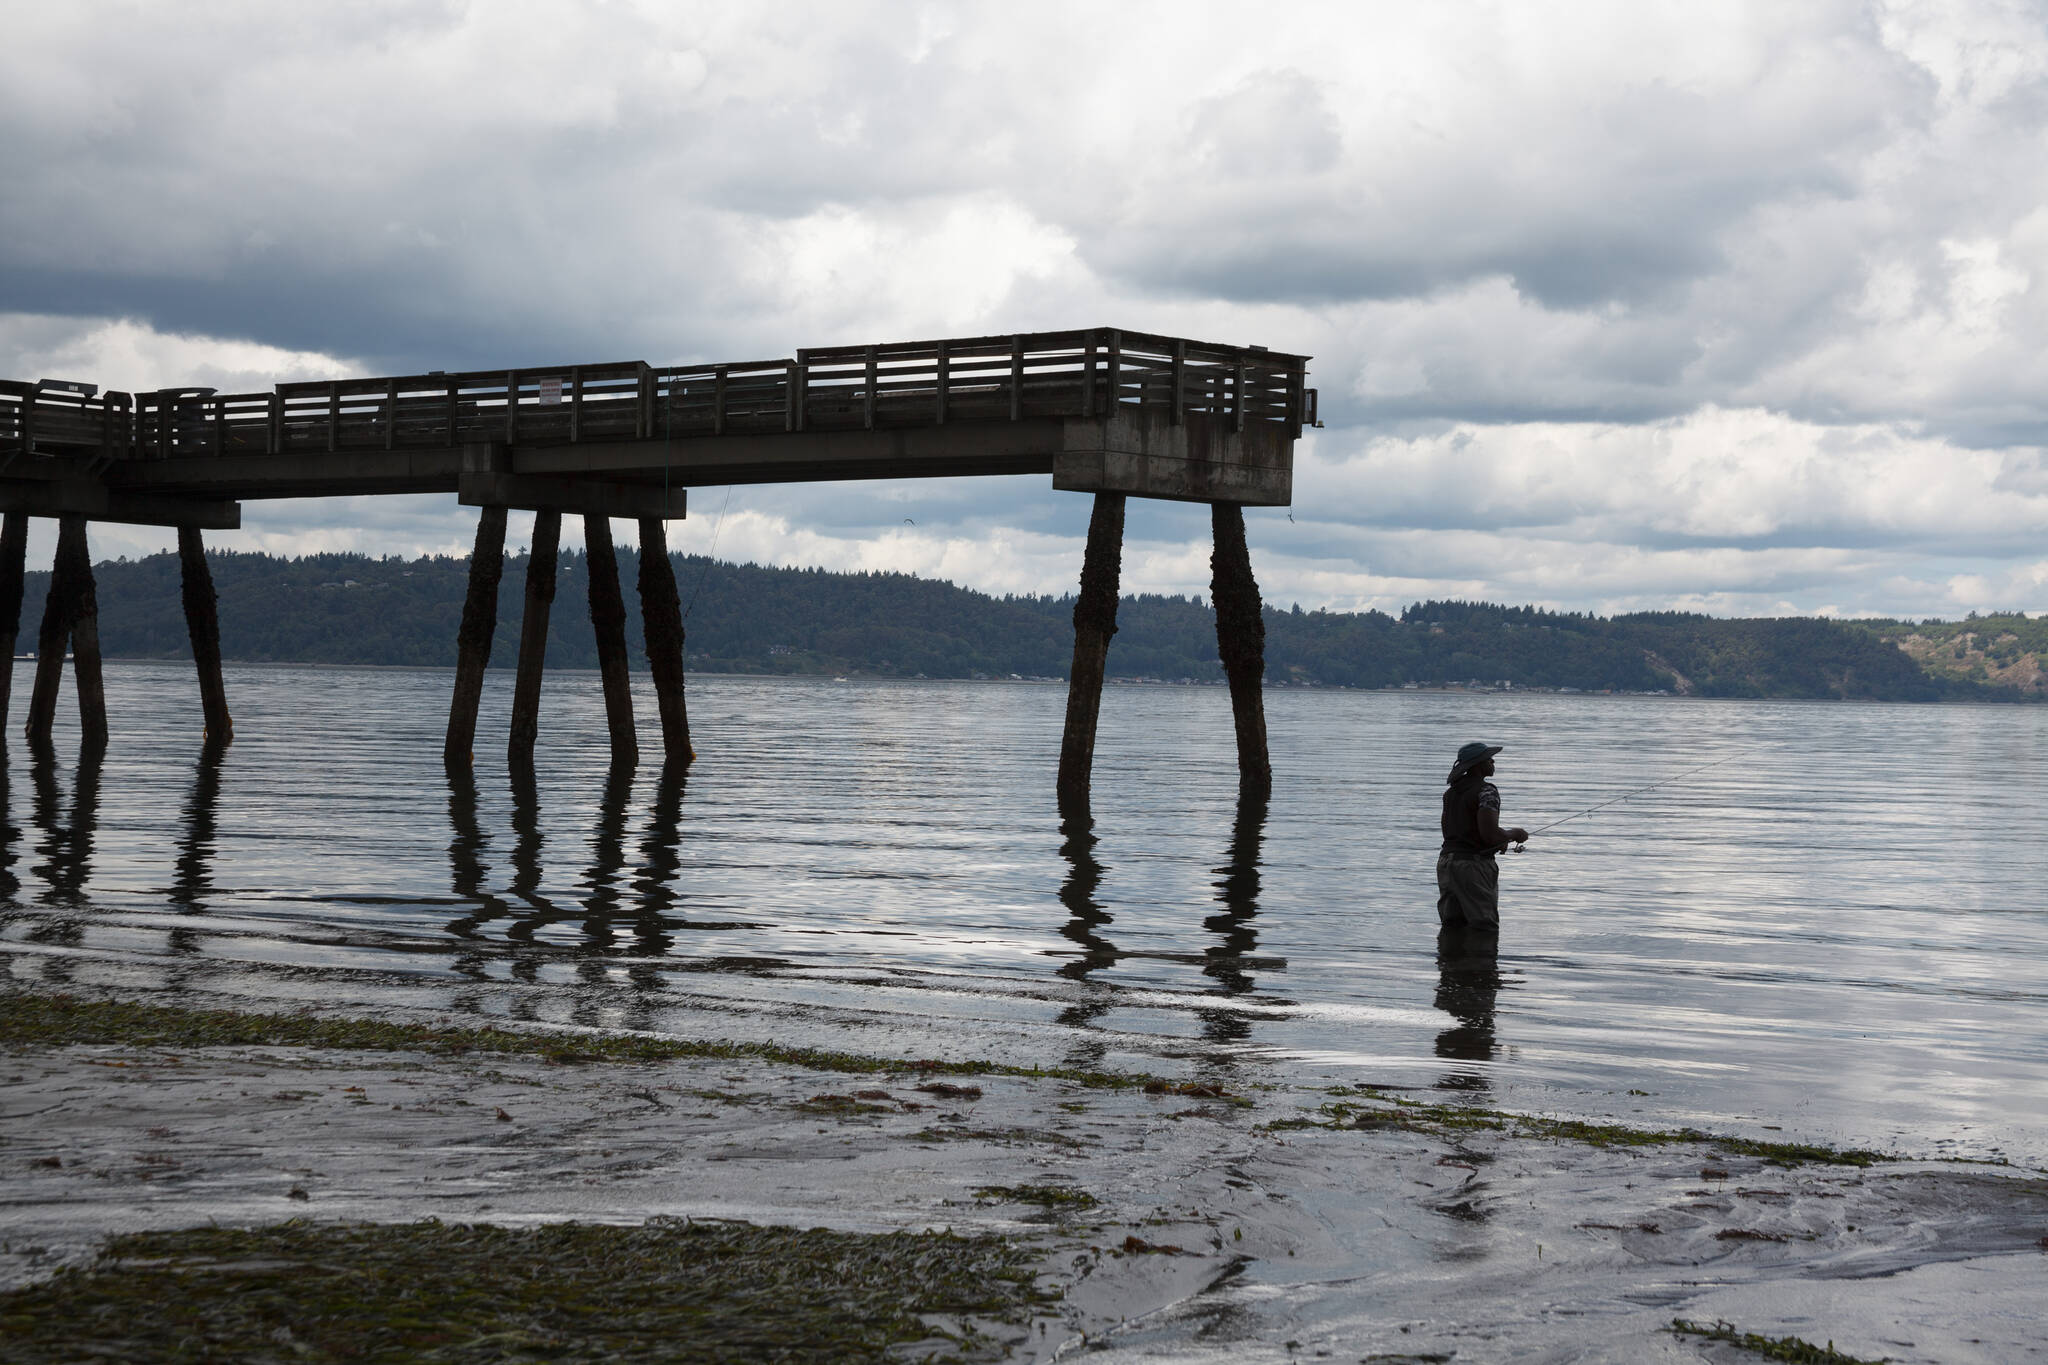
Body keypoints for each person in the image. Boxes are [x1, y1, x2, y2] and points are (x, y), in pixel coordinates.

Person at [1436, 741, 1528, 931]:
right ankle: (1482, 960)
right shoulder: (1487, 791)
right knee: (1484, 928)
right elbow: (1490, 834)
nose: (1493, 762)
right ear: (1478, 765)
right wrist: (1514, 834)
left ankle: (1449, 960)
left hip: (1446, 863)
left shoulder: (1451, 793)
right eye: (1489, 759)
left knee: (1452, 926)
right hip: (1473, 867)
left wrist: (1498, 841)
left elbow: (1452, 833)